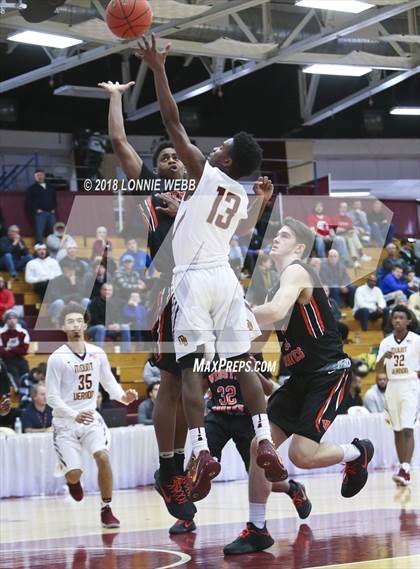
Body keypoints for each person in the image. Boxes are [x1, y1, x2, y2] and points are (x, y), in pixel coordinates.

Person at [137, 33, 285, 510]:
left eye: (218, 146)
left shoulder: (205, 171)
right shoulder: (239, 193)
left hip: (194, 280)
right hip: (226, 278)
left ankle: (199, 450)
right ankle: (263, 437)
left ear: (223, 160)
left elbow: (171, 120)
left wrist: (158, 69)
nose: (211, 147)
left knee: (190, 367)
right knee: (240, 364)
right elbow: (239, 232)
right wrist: (262, 203)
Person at [224, 218, 374, 555]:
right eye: (276, 234)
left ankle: (357, 452)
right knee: (258, 446)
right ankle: (258, 529)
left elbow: (274, 311)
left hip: (327, 373)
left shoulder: (297, 271)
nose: (277, 239)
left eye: (285, 235)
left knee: (301, 455)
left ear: (300, 248)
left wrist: (234, 311)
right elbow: (254, 343)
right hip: (300, 379)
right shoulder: (276, 284)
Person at [99, 77, 193, 522]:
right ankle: (170, 467)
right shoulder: (151, 189)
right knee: (174, 383)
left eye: (177, 155)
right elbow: (119, 140)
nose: (173, 159)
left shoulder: (199, 191)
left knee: (201, 381)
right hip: (169, 289)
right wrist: (117, 98)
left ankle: (189, 463)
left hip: (207, 289)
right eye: (165, 157)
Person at [169, 357, 312, 536]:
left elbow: (269, 389)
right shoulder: (209, 353)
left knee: (261, 474)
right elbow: (201, 385)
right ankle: (187, 515)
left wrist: (254, 371)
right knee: (196, 466)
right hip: (217, 417)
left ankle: (292, 488)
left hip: (246, 418)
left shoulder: (247, 352)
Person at [45, 303, 138, 527]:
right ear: (63, 327)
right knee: (75, 473)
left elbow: (109, 383)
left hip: (91, 418)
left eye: (79, 321)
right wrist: (73, 414)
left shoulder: (97, 353)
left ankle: (106, 509)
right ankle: (73, 481)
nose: (76, 325)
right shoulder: (57, 358)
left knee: (103, 457)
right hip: (65, 423)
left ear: (85, 324)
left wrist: (124, 397)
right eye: (70, 322)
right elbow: (52, 398)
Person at [376, 305, 420, 487]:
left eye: (401, 318)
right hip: (392, 385)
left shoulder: (416, 340)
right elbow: (378, 370)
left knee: (408, 428)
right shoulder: (386, 342)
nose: (397, 321)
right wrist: (383, 358)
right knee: (397, 430)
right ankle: (403, 469)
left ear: (408, 321)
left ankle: (405, 468)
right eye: (395, 318)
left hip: (410, 384)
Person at [87, 283, 131, 352]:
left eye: (109, 290)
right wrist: (108, 326)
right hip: (94, 328)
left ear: (112, 292)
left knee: (125, 327)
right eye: (105, 290)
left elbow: (120, 317)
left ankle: (126, 354)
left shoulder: (114, 303)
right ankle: (98, 355)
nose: (107, 292)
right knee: (101, 328)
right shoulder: (94, 302)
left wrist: (118, 324)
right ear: (101, 291)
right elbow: (94, 320)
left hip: (110, 329)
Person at [48, 259, 90, 323]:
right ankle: (57, 321)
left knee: (86, 301)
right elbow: (55, 296)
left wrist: (73, 284)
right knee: (59, 302)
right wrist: (69, 301)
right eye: (68, 269)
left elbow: (82, 295)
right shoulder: (55, 280)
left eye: (72, 270)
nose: (71, 272)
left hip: (75, 303)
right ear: (63, 270)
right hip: (59, 305)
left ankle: (84, 321)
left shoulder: (79, 280)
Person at [332, 202, 370, 269]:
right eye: (342, 207)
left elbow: (351, 227)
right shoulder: (335, 218)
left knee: (352, 235)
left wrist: (353, 230)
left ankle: (355, 260)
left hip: (347, 235)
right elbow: (335, 230)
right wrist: (345, 229)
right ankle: (360, 255)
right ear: (339, 208)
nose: (344, 209)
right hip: (339, 236)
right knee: (351, 236)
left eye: (345, 207)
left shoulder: (348, 218)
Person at [25, 169, 57, 245]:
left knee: (54, 232)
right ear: (35, 177)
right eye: (38, 175)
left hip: (51, 213)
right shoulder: (31, 189)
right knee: (39, 233)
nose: (40, 177)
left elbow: (54, 199)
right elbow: (29, 202)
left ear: (44, 176)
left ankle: (54, 250)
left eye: (41, 175)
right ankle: (38, 252)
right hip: (40, 214)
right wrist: (36, 210)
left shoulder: (50, 187)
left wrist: (53, 208)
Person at [0, 309, 30, 388]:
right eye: (9, 319)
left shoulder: (23, 332)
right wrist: (17, 349)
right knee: (13, 374)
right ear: (6, 321)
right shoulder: (1, 332)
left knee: (26, 375)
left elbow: (24, 350)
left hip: (20, 358)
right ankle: (18, 393)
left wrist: (9, 349)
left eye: (14, 318)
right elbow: (2, 352)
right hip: (6, 361)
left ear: (17, 320)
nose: (12, 321)